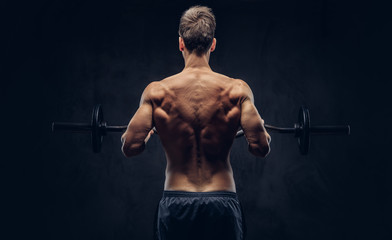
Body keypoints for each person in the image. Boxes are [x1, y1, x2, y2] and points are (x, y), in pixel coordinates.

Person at [121, 5, 271, 240]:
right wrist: (261, 131)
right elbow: (260, 149)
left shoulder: (157, 92)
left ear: (181, 43)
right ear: (213, 44)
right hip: (222, 201)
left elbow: (130, 147)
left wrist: (145, 135)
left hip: (176, 201)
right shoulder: (237, 90)